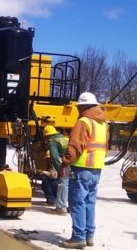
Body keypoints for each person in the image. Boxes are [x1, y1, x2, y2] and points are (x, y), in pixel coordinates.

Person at [60, 92, 107, 249]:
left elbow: (75, 146)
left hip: (82, 169)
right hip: (96, 169)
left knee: (77, 202)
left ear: (84, 106)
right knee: (89, 202)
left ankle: (78, 237)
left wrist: (65, 163)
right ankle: (89, 236)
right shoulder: (102, 124)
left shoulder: (84, 122)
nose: (78, 109)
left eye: (79, 107)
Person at [44, 125, 69, 215]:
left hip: (64, 164)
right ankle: (68, 206)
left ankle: (61, 208)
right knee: (70, 184)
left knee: (63, 184)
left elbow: (54, 157)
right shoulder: (65, 138)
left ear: (47, 135)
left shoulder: (53, 142)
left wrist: (59, 170)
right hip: (73, 163)